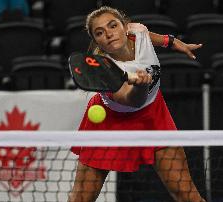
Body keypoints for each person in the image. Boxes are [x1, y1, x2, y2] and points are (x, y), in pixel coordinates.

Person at [69, 6, 205, 202]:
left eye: (113, 26)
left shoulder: (137, 31)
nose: (108, 33)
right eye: (99, 33)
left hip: (153, 115)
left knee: (187, 195)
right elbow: (132, 101)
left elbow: (146, 35)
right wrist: (141, 86)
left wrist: (171, 42)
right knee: (81, 199)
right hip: (108, 123)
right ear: (96, 40)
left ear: (125, 27)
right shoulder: (103, 71)